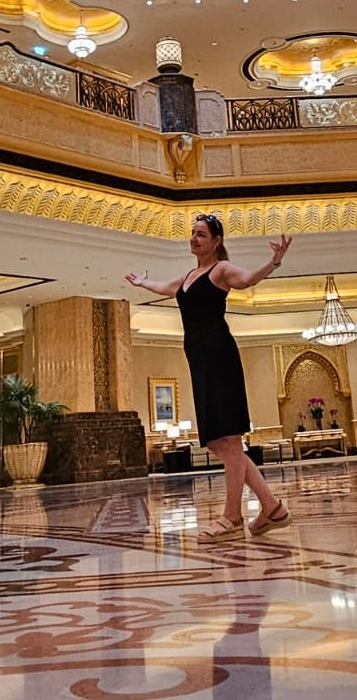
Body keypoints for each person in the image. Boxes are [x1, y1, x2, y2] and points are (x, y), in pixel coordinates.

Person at [125, 213, 294, 542]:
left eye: (201, 234)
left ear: (216, 241)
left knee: (229, 441)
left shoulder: (221, 270)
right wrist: (142, 282)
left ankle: (232, 519)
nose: (194, 238)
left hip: (219, 356)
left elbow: (247, 280)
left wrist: (273, 262)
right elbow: (166, 287)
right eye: (192, 233)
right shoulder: (190, 275)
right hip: (200, 360)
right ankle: (272, 508)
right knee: (219, 443)